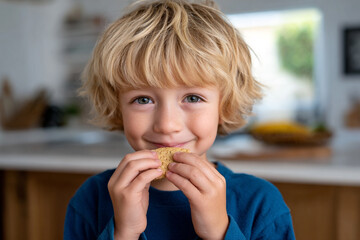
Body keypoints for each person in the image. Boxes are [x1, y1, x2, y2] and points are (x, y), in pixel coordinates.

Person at [64, 0, 296, 239]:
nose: (166, 125)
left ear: (223, 105)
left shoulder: (260, 204)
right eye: (143, 100)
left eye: (193, 97)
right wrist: (125, 232)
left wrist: (219, 232)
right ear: (117, 107)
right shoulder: (90, 201)